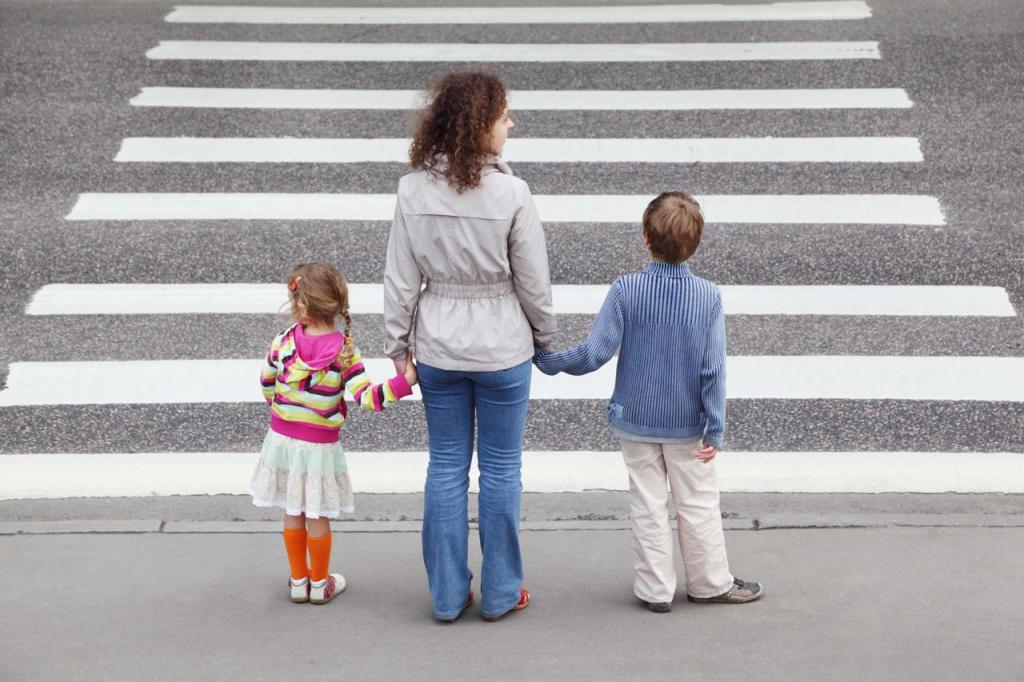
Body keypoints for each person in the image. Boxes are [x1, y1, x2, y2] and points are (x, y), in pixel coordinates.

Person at [534, 192, 763, 612]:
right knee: (697, 502)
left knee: (648, 504)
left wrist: (547, 361)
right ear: (695, 243)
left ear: (645, 237)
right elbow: (713, 370)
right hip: (689, 424)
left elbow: (594, 354)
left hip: (636, 420)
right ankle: (710, 583)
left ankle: (655, 590)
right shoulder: (708, 297)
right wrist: (716, 426)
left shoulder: (626, 290)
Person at [383, 71, 556, 622]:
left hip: (437, 346)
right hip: (503, 346)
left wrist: (398, 348)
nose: (512, 123)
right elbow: (534, 283)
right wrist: (544, 339)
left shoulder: (412, 190)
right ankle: (503, 592)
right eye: (504, 115)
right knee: (502, 470)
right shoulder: (512, 193)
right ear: (481, 126)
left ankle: (447, 594)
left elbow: (400, 279)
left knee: (445, 466)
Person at [249, 262, 417, 605]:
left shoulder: (282, 342)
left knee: (292, 511)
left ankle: (298, 581)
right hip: (319, 447)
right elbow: (367, 399)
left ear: (300, 304)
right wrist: (406, 382)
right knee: (317, 514)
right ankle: (320, 583)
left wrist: (284, 413)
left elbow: (267, 384)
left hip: (282, 439)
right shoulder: (343, 351)